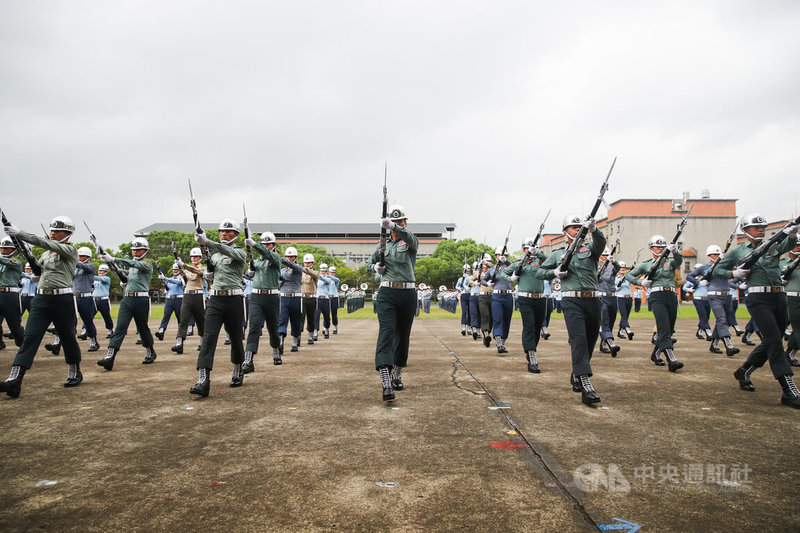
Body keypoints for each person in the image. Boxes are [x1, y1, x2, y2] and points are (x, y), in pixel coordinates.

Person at [718, 213, 799, 408]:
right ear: (745, 231)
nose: (761, 229)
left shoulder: (772, 246)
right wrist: (733, 273)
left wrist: (792, 233)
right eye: (756, 227)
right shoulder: (738, 252)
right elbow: (716, 270)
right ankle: (789, 389)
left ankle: (744, 371)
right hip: (757, 298)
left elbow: (789, 246)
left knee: (776, 337)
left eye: (763, 226)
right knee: (773, 340)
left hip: (779, 296)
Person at [0, 216, 82, 396]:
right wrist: (38, 274)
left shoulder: (69, 250)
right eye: (52, 230)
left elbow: (46, 244)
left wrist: (19, 233)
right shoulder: (46, 254)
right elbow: (41, 268)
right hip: (41, 300)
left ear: (67, 234)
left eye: (57, 231)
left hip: (62, 299)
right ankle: (15, 379)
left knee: (68, 338)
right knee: (30, 338)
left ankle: (74, 371)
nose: (53, 233)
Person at [537, 214, 606, 405]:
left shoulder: (589, 249)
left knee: (591, 340)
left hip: (593, 300)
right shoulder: (558, 254)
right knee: (579, 340)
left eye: (579, 226)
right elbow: (539, 272)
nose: (577, 229)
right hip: (571, 301)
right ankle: (586, 383)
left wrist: (594, 229)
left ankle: (577, 372)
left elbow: (601, 243)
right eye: (573, 227)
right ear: (565, 231)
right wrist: (554, 273)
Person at [189, 218, 248, 396]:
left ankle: (238, 368)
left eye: (228, 231)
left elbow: (225, 250)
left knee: (236, 338)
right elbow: (210, 276)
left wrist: (207, 242)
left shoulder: (239, 252)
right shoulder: (213, 255)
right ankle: (203, 379)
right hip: (215, 299)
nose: (224, 234)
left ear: (236, 235)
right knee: (208, 338)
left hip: (234, 299)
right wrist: (208, 269)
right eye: (221, 231)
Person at [366, 204, 419, 402]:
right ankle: (386, 379)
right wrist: (375, 267)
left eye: (400, 221)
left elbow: (413, 241)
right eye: (393, 221)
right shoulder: (382, 245)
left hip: (407, 293)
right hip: (387, 292)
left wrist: (395, 229)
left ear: (405, 222)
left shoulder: (409, 241)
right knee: (386, 332)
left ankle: (397, 371)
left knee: (403, 334)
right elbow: (368, 263)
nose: (397, 223)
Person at [625, 234, 684, 372]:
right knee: (663, 327)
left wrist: (675, 251)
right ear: (651, 248)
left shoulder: (670, 262)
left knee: (669, 328)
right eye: (657, 247)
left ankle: (656, 353)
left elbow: (679, 260)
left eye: (662, 247)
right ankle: (671, 359)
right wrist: (641, 282)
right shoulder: (646, 264)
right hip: (657, 296)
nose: (660, 249)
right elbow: (629, 275)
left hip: (671, 294)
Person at [97, 237, 156, 370]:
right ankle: (110, 357)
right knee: (120, 328)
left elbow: (134, 264)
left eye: (138, 250)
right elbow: (127, 274)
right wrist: (115, 268)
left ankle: (150, 351)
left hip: (141, 300)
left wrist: (114, 259)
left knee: (142, 328)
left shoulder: (147, 264)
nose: (135, 252)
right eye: (133, 250)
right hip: (127, 300)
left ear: (145, 251)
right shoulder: (132, 268)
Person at [687, 246, 740, 357]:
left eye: (717, 254)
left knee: (722, 320)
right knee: (721, 318)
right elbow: (689, 276)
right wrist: (698, 282)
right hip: (714, 296)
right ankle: (728, 345)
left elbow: (734, 274)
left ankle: (714, 344)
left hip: (727, 295)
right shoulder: (704, 268)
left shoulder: (725, 265)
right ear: (709, 256)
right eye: (713, 255)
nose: (716, 256)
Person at [242, 231, 283, 370]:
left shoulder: (276, 258)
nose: (265, 246)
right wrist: (250, 267)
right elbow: (249, 274)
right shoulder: (257, 261)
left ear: (274, 245)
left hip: (271, 297)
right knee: (253, 327)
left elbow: (268, 254)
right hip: (256, 297)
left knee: (273, 328)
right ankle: (248, 359)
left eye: (268, 244)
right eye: (263, 244)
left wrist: (253, 244)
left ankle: (276, 351)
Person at [506, 237, 547, 372]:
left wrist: (538, 253)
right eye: (526, 248)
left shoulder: (540, 262)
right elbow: (503, 274)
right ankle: (531, 354)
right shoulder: (519, 264)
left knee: (537, 326)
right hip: (525, 299)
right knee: (529, 325)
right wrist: (511, 278)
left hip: (540, 298)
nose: (529, 251)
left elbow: (547, 260)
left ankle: (532, 349)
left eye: (531, 248)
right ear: (523, 249)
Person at [171, 248, 206, 354]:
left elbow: (197, 271)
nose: (193, 258)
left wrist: (183, 265)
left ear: (200, 258)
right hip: (187, 296)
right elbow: (186, 278)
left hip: (198, 296)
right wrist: (181, 268)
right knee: (183, 320)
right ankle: (179, 343)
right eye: (192, 256)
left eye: (195, 256)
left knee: (200, 320)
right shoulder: (186, 269)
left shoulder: (204, 268)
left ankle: (203, 341)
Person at [278, 247, 305, 353]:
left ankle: (294, 342)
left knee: (295, 320)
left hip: (295, 298)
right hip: (283, 297)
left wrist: (279, 258)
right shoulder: (282, 271)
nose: (289, 258)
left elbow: (292, 266)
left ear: (295, 258)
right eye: (288, 256)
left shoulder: (297, 267)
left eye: (292, 256)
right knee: (282, 320)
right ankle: (281, 340)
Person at [0, 237, 25, 349]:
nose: (3, 250)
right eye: (2, 248)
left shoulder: (16, 262)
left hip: (9, 295)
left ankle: (22, 345)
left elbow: (4, 261)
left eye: (6, 249)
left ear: (13, 250)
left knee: (14, 325)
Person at [597, 247, 621, 356]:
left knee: (611, 321)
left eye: (607, 255)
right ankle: (611, 344)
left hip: (612, 297)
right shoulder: (595, 267)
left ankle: (603, 343)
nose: (605, 257)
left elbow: (618, 268)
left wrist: (614, 261)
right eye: (603, 255)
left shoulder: (611, 268)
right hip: (601, 297)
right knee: (605, 321)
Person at [782, 235, 800, 366]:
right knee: (798, 327)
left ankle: (790, 352)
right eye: (796, 245)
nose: (799, 248)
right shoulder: (782, 263)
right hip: (791, 297)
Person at [156, 264, 185, 341]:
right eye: (173, 269)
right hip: (169, 299)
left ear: (179, 270)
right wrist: (164, 282)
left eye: (176, 269)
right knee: (166, 316)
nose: (174, 271)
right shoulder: (170, 279)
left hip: (178, 299)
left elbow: (177, 282)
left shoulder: (181, 278)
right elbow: (168, 289)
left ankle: (180, 336)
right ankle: (161, 331)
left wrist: (165, 278)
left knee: (179, 318)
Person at [473, 253, 494, 347]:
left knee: (492, 317)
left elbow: (493, 267)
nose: (485, 265)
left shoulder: (493, 271)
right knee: (485, 315)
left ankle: (488, 333)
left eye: (487, 263)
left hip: (492, 296)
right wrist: (475, 283)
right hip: (482, 296)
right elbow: (470, 280)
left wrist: (487, 262)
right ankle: (485, 334)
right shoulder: (478, 272)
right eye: (484, 264)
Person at [300, 253, 321, 344]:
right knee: (300, 318)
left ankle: (310, 336)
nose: (307, 264)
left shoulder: (315, 272)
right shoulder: (300, 273)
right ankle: (298, 337)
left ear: (312, 263)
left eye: (309, 263)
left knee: (311, 318)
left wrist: (304, 269)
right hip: (302, 298)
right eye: (305, 263)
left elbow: (314, 275)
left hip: (312, 298)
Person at [313, 263, 335, 339]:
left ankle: (326, 330)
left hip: (326, 299)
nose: (323, 272)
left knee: (326, 316)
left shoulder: (328, 279)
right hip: (318, 299)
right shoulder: (316, 279)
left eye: (324, 271)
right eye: (322, 271)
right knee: (316, 316)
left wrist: (319, 276)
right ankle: (315, 332)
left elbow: (326, 280)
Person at [92, 264, 114, 338]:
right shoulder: (95, 280)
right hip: (95, 300)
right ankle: (85, 330)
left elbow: (100, 279)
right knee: (89, 316)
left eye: (101, 270)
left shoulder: (107, 278)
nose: (100, 272)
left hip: (103, 300)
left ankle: (110, 330)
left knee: (106, 316)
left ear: (105, 271)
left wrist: (89, 275)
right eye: (99, 270)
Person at [615, 261, 634, 340]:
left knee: (626, 316)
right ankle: (628, 330)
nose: (622, 269)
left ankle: (620, 331)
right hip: (620, 298)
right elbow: (614, 288)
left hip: (629, 298)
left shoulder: (628, 277)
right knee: (624, 315)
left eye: (624, 267)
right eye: (621, 267)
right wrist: (617, 287)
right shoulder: (615, 278)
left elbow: (635, 280)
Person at [456, 263, 472, 336]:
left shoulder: (471, 277)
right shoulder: (460, 279)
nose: (466, 272)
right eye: (465, 270)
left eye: (467, 270)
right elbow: (457, 286)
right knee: (464, 311)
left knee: (470, 312)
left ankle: (469, 327)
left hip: (470, 294)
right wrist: (459, 288)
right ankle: (463, 327)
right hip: (463, 295)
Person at [468, 261, 481, 340]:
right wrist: (474, 282)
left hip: (481, 296)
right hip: (473, 296)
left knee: (480, 314)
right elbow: (468, 285)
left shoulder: (483, 275)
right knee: (473, 314)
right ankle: (474, 329)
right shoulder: (470, 277)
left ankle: (478, 330)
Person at [328, 265, 341, 334]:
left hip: (334, 297)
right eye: (330, 272)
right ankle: (325, 327)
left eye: (333, 272)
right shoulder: (326, 279)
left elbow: (335, 279)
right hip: (327, 297)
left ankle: (335, 326)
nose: (332, 273)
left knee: (334, 313)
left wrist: (326, 276)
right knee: (326, 314)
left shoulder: (336, 280)